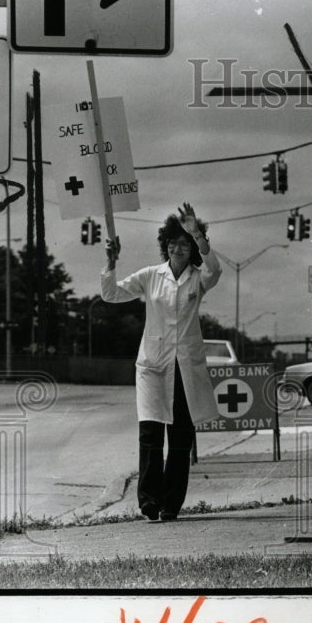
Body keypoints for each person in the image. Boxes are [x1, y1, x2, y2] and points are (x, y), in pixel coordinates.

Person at [101, 204, 222, 523]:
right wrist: (111, 263)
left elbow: (215, 269)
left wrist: (198, 233)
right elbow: (112, 294)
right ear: (164, 245)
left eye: (184, 242)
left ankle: (171, 504)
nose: (176, 247)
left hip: (186, 367)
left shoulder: (200, 278)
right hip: (154, 366)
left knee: (181, 437)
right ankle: (149, 501)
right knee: (150, 435)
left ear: (192, 247)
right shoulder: (150, 277)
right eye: (172, 242)